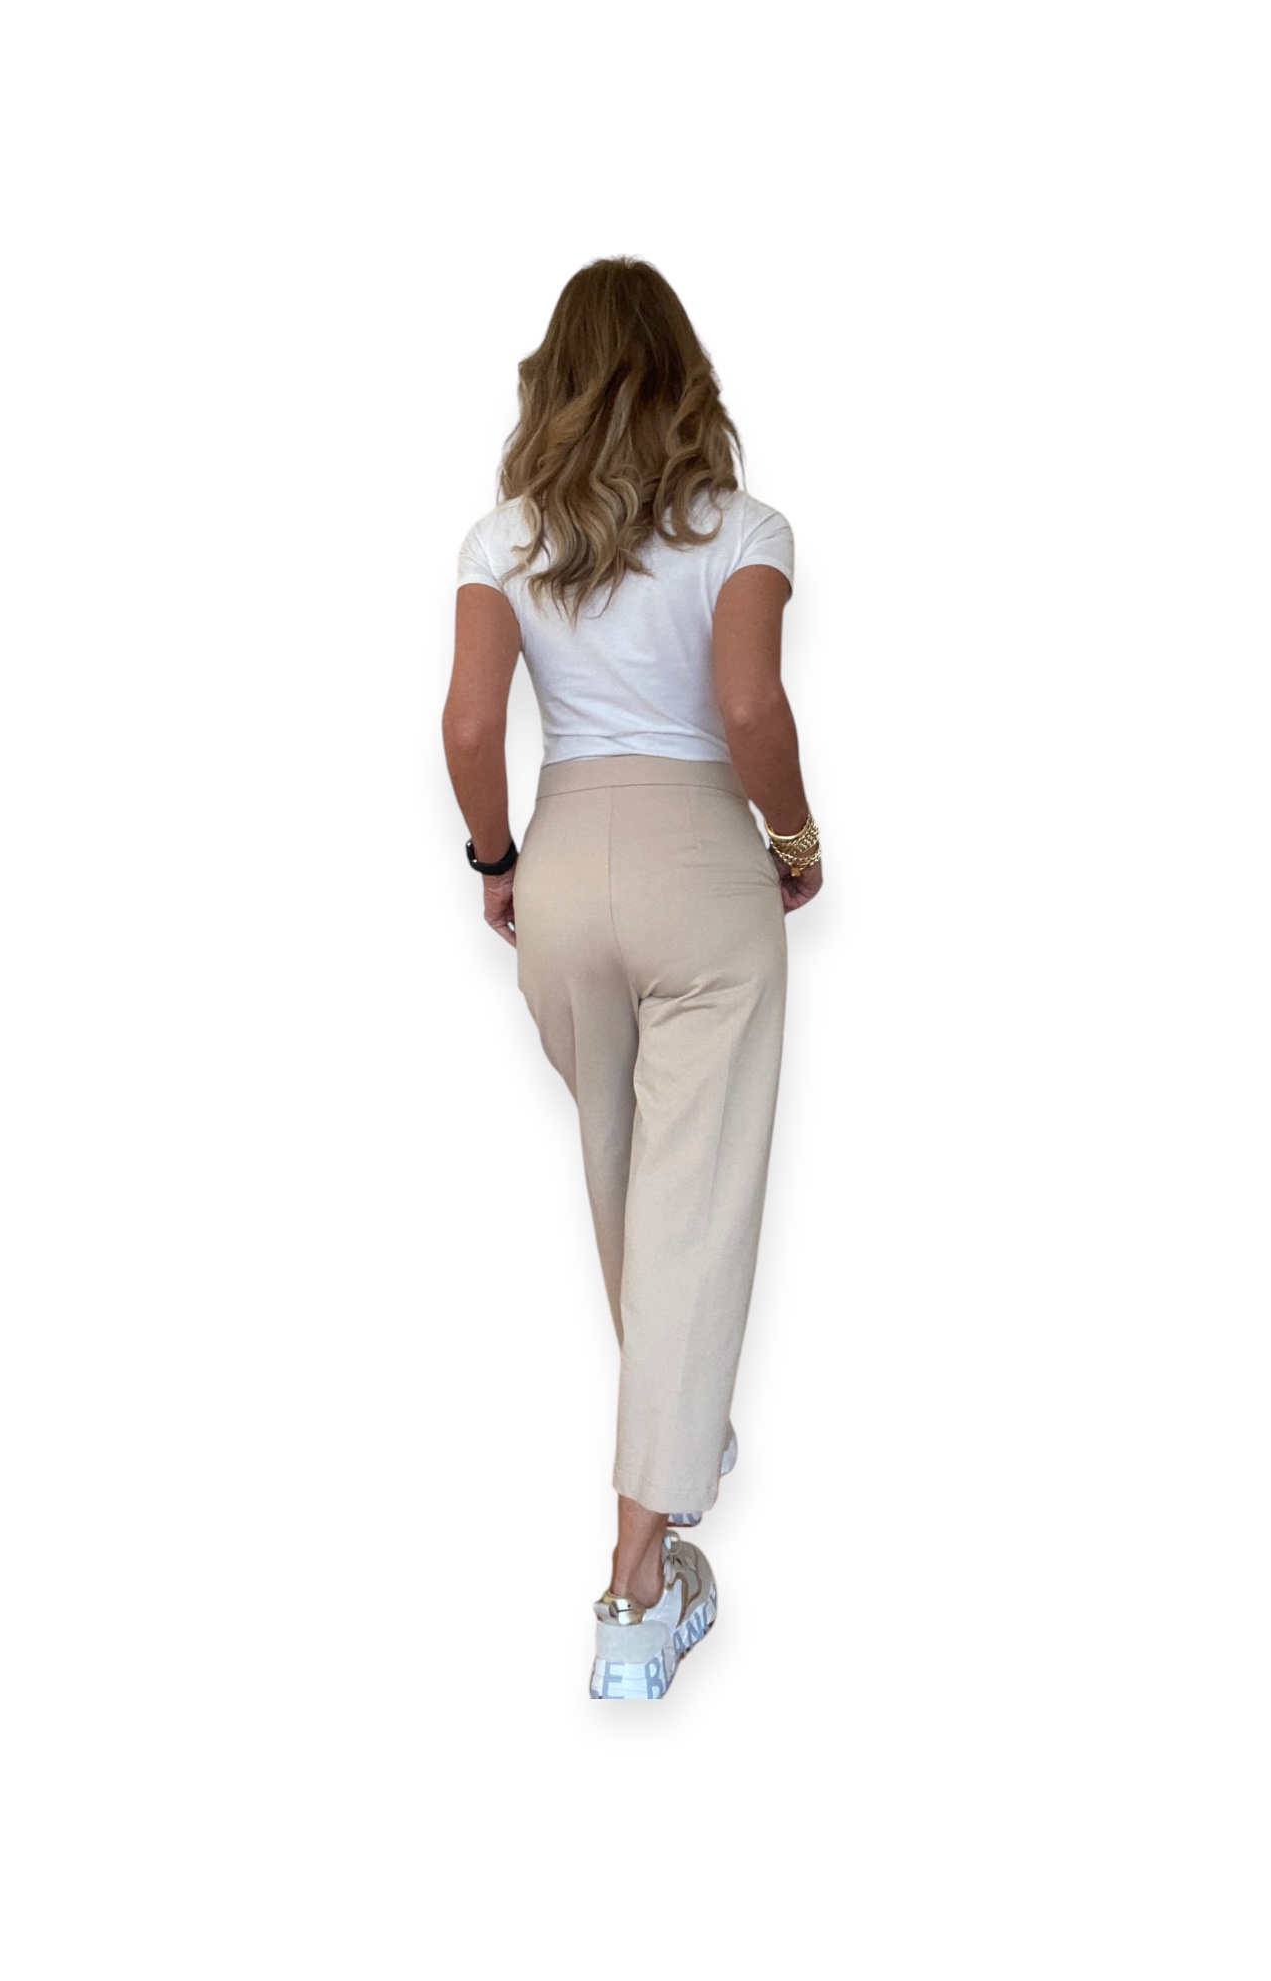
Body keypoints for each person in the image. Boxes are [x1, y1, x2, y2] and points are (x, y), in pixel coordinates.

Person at [443, 257, 822, 1701]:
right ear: (684, 377)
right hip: (699, 863)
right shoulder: (746, 530)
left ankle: (680, 1426)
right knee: (693, 1200)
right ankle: (636, 1586)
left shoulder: (504, 540)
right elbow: (749, 703)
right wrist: (794, 838)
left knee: (625, 1179)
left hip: (563, 866)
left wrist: (496, 860)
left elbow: (469, 724)